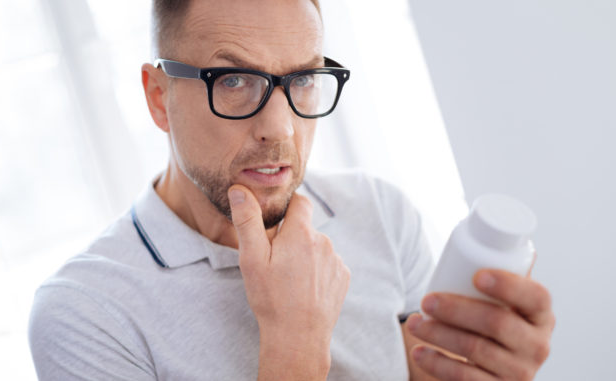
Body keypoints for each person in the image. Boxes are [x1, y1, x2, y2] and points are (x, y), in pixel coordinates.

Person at [28, 0, 555, 380]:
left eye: (302, 79)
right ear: (159, 96)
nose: (279, 128)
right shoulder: (85, 312)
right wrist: (294, 345)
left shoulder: (380, 212)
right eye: (233, 80)